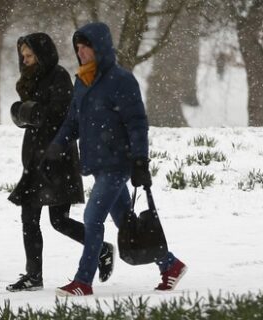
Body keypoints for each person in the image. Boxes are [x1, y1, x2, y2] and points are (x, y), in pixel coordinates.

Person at [48, 22, 187, 296]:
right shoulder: (82, 81)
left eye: (86, 46)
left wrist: (139, 161)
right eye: (78, 48)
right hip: (99, 165)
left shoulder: (121, 80)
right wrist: (56, 145)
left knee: (92, 217)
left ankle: (83, 282)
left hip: (117, 164)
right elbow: (73, 121)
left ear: (99, 47)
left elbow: (137, 123)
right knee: (126, 221)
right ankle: (170, 265)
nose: (81, 52)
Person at [6, 32, 115, 292]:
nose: (26, 60)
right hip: (34, 158)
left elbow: (60, 114)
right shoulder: (29, 79)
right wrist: (21, 113)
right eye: (23, 56)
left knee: (58, 220)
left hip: (57, 158)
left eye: (30, 55)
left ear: (42, 54)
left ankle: (101, 248)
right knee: (29, 218)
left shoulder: (59, 77)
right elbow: (33, 117)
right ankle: (34, 276)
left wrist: (27, 111)